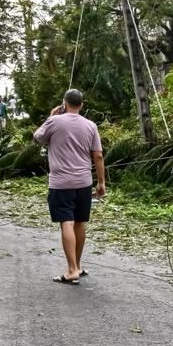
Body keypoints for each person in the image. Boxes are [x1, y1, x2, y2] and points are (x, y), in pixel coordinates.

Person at [33, 88, 105, 285]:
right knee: (80, 222)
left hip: (61, 183)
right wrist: (101, 182)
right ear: (81, 105)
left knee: (67, 222)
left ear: (64, 104)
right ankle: (78, 266)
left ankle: (72, 270)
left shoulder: (54, 121)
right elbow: (98, 155)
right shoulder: (91, 125)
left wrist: (50, 117)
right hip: (83, 182)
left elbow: (37, 138)